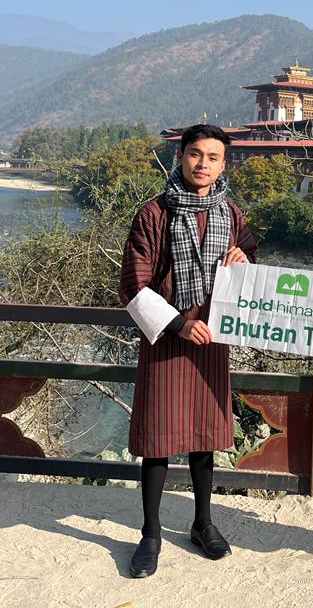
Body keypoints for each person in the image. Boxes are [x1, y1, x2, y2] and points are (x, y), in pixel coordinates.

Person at [119, 123, 257, 578]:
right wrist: (178, 323)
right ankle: (151, 534)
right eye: (195, 154)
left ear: (223, 164)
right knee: (158, 438)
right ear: (180, 156)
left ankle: (203, 523)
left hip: (213, 334)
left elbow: (251, 264)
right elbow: (134, 284)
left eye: (213, 157)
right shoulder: (154, 213)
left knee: (203, 433)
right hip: (168, 335)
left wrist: (243, 258)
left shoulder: (232, 214)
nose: (203, 164)